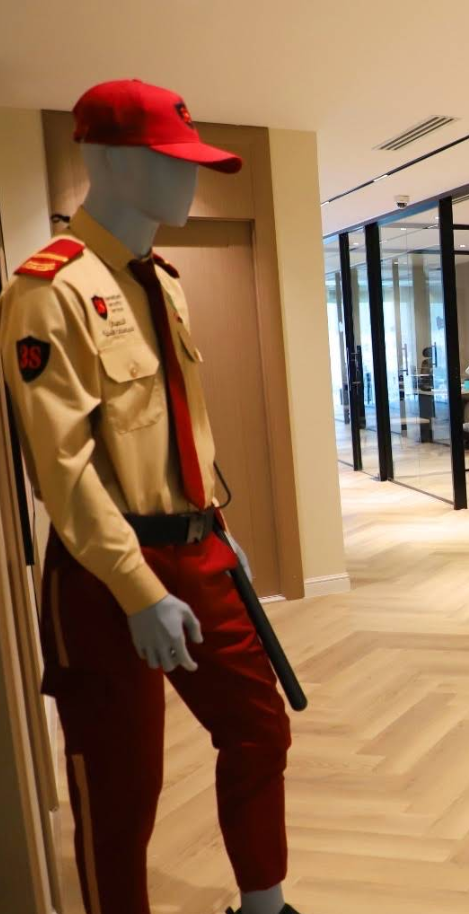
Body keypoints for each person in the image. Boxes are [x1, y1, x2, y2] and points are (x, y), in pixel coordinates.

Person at [0, 80, 298, 914]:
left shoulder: (162, 280)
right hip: (104, 570)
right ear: (109, 161)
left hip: (200, 547)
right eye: (171, 161)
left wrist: (220, 532)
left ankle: (265, 905)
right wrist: (138, 590)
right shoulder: (47, 291)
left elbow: (180, 430)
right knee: (120, 781)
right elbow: (62, 467)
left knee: (259, 728)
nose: (189, 180)